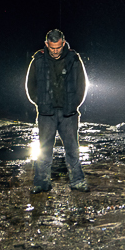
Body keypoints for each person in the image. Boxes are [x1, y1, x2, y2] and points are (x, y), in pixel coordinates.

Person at [24, 28, 89, 192]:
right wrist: (40, 102)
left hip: (69, 114)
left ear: (63, 43)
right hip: (46, 114)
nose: (55, 51)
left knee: (72, 149)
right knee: (44, 149)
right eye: (52, 47)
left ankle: (77, 181)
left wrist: (74, 104)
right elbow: (30, 85)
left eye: (58, 47)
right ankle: (41, 182)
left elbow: (82, 84)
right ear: (46, 44)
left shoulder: (74, 59)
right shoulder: (38, 59)